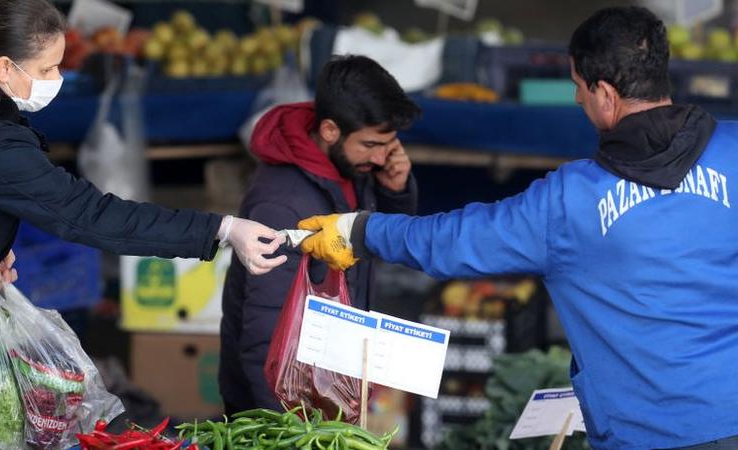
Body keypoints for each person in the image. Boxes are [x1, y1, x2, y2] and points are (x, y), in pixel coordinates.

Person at [298, 6, 738, 450]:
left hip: (649, 436)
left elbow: (456, 240)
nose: (576, 99)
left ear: (605, 92)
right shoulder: (733, 152)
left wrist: (361, 232)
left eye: (578, 87)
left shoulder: (569, 202)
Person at [0, 0, 287, 447]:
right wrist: (221, 230)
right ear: (5, 68)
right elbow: (93, 217)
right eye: (47, 70)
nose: (57, 81)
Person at [218, 55, 420, 414]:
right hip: (283, 411)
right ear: (329, 130)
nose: (379, 158)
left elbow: (374, 245)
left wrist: (394, 191)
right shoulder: (282, 204)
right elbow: (267, 335)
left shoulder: (350, 166)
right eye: (370, 145)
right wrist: (289, 433)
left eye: (387, 146)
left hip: (327, 392)